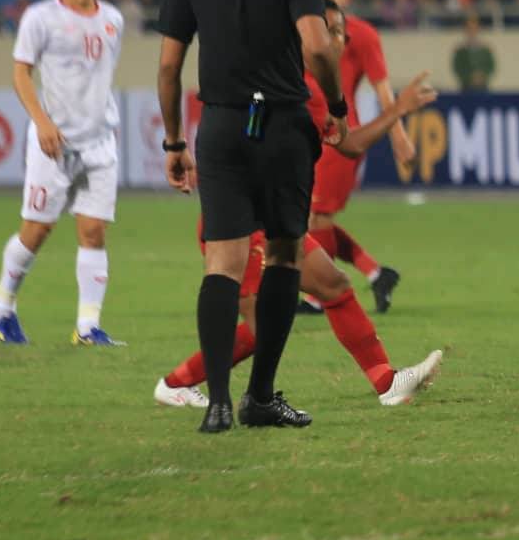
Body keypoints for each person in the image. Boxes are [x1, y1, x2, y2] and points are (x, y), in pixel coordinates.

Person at [155, 0, 347, 434]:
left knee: (224, 263)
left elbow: (168, 68)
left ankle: (216, 402)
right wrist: (335, 106)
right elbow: (316, 47)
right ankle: (260, 396)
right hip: (281, 124)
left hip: (220, 126)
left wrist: (173, 141)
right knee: (285, 253)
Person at [155, 45, 442, 412]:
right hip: (241, 221)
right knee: (266, 326)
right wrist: (396, 111)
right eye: (329, 31)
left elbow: (343, 142)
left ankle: (388, 383)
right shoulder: (288, 85)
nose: (336, 42)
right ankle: (176, 383)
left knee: (334, 285)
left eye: (339, 33)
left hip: (272, 218)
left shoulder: (308, 88)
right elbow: (349, 144)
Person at [0, 0, 124, 347]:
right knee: (36, 231)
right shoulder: (40, 18)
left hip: (100, 142)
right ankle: (4, 309)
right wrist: (42, 122)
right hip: (54, 143)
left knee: (94, 232)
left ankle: (87, 326)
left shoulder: (113, 19)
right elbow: (20, 73)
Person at [308, 0, 413, 312]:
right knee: (309, 218)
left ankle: (318, 295)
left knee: (315, 218)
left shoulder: (361, 35)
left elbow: (383, 91)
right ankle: (375, 272)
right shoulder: (304, 30)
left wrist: (398, 136)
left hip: (340, 136)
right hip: (311, 131)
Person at [451, 13, 496, 91]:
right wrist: (470, 78)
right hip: (466, 88)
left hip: (483, 87)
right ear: (465, 30)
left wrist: (482, 76)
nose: (472, 31)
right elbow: (457, 68)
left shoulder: (486, 49)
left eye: (474, 28)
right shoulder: (460, 50)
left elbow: (491, 66)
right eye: (469, 28)